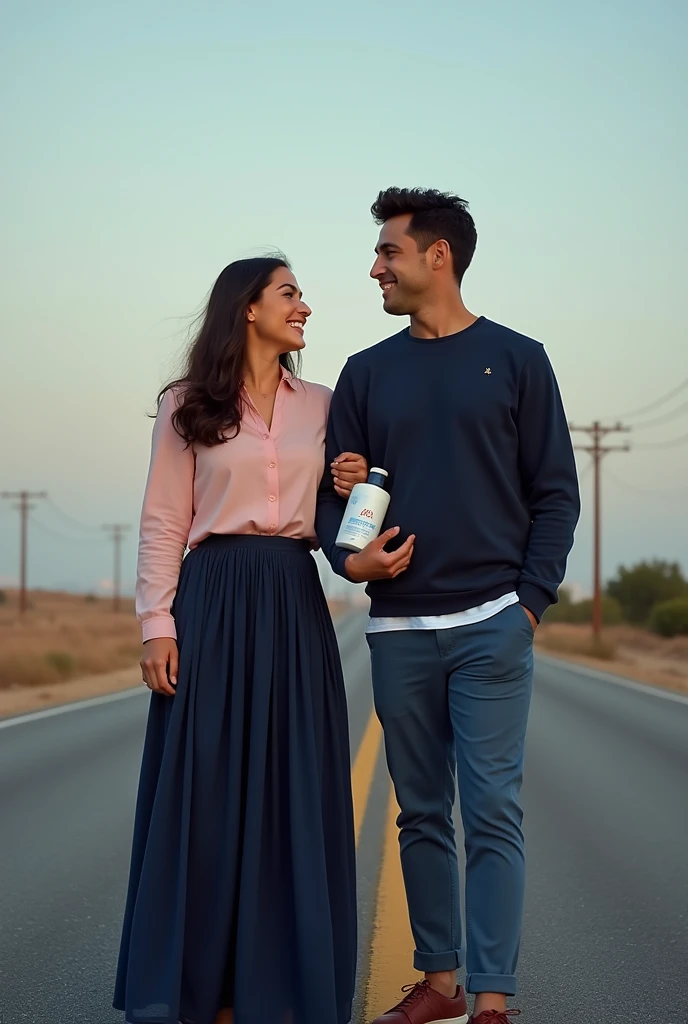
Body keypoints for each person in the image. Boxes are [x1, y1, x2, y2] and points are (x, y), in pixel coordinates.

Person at [320, 188, 580, 1024]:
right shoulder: (365, 372)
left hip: (491, 624)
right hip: (397, 628)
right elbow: (334, 505)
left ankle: (493, 997)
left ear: (440, 256)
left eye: (387, 251)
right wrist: (347, 552)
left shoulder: (517, 359)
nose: (374, 268)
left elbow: (555, 493)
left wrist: (529, 601)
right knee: (421, 811)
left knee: (494, 808)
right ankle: (440, 982)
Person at [113, 256, 365, 1024]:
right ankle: (207, 991)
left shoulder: (322, 404)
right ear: (247, 308)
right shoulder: (186, 405)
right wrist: (157, 624)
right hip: (213, 601)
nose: (306, 309)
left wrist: (346, 479)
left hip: (294, 597)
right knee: (210, 800)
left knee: (293, 795)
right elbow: (163, 520)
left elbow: (335, 517)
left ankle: (280, 987)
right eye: (290, 294)